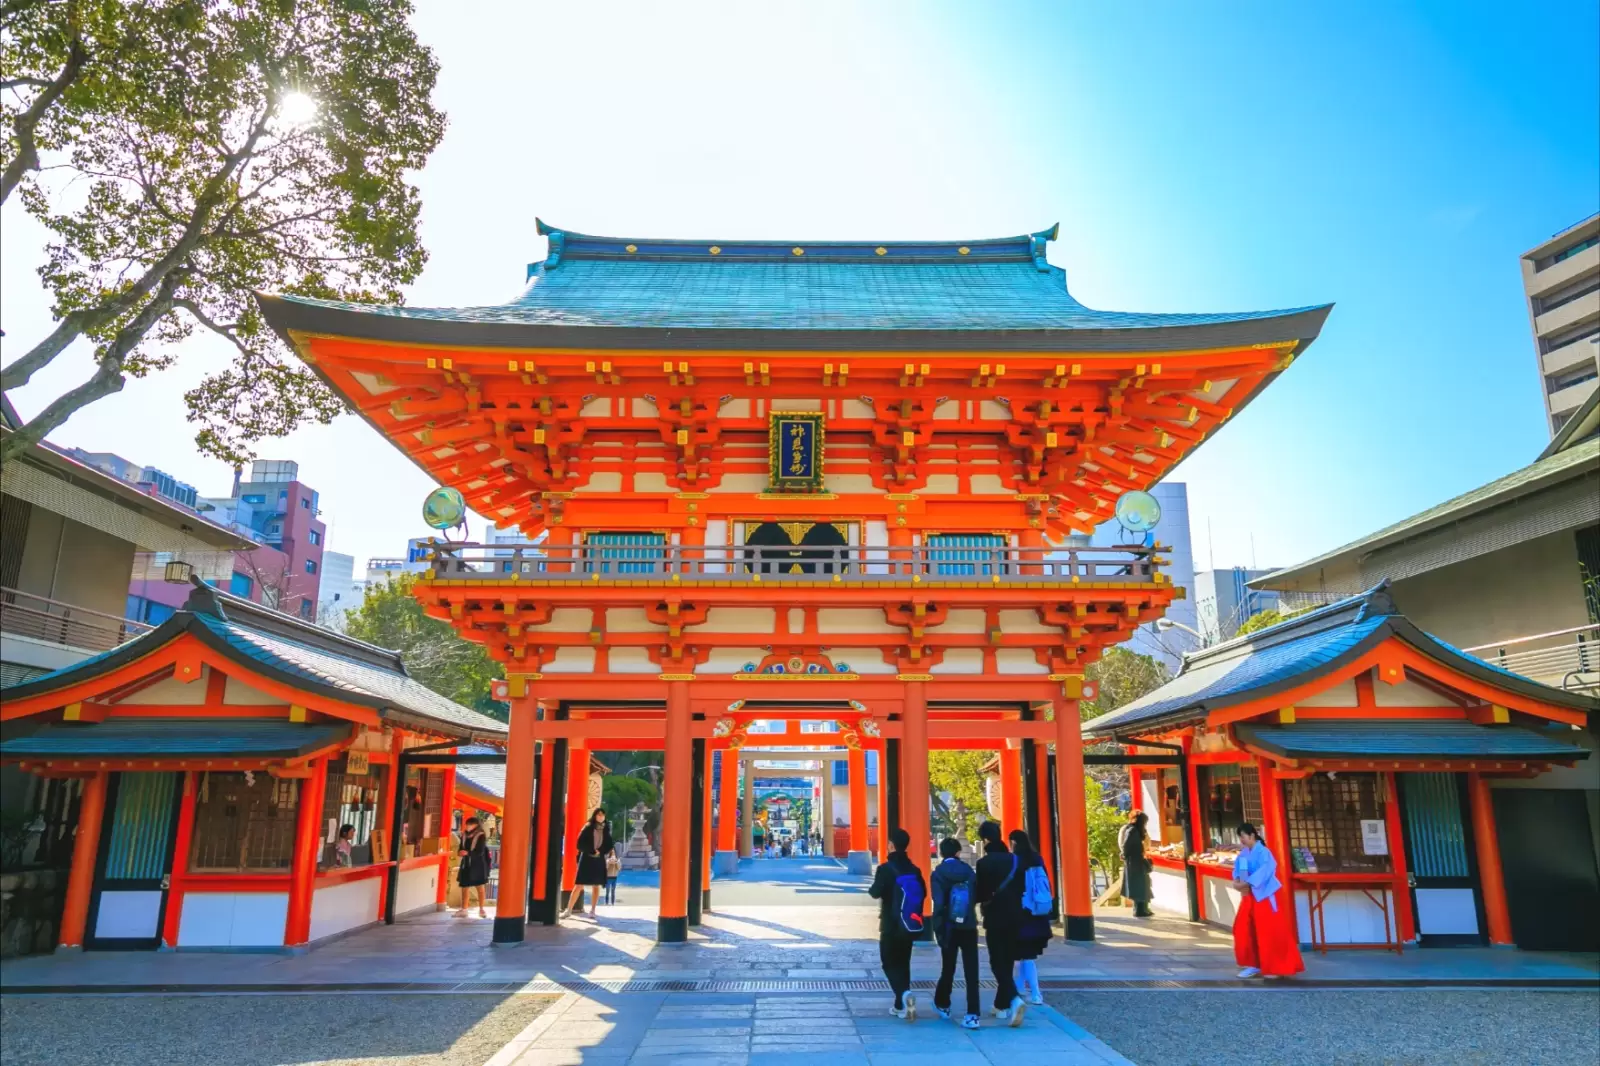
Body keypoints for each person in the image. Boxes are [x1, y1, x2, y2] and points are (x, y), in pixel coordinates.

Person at [1232, 822, 1305, 979]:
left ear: (1252, 835)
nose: (1242, 840)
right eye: (1240, 837)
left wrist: (1247, 883)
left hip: (1264, 895)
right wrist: (1237, 882)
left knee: (1268, 931)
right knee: (1244, 929)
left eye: (1243, 836)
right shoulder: (1244, 854)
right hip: (1249, 896)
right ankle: (1253, 964)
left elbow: (1265, 872)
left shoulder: (1264, 852)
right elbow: (1239, 872)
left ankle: (1276, 966)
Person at [868, 826, 926, 1021]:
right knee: (903, 962)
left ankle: (903, 994)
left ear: (891, 846)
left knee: (888, 962)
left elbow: (875, 892)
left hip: (890, 924)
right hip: (909, 923)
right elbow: (923, 894)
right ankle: (900, 1004)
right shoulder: (914, 869)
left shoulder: (885, 869)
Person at [974, 820, 1027, 1026]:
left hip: (994, 917)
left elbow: (981, 893)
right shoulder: (1016, 861)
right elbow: (1022, 888)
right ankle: (1001, 1005)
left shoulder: (983, 864)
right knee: (1007, 960)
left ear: (985, 839)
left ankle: (1013, 999)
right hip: (1016, 916)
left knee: (997, 961)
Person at [929, 837, 982, 1029]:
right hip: (968, 925)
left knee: (948, 967)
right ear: (958, 853)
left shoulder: (938, 874)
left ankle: (943, 1004)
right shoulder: (968, 871)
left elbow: (938, 902)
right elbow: (975, 896)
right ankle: (973, 1014)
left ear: (942, 853)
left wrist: (938, 929)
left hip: (949, 927)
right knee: (971, 970)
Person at [1008, 829, 1054, 1005]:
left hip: (1022, 912)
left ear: (1013, 842)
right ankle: (1021, 987)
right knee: (1027, 955)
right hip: (1038, 912)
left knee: (1025, 956)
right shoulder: (1037, 859)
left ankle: (1035, 992)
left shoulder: (1015, 861)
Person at [562, 807, 613, 919]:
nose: (601, 817)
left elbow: (610, 844)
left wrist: (601, 851)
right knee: (579, 884)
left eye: (602, 815)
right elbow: (580, 844)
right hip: (586, 858)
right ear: (595, 816)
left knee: (596, 885)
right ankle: (569, 909)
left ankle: (593, 910)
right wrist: (591, 849)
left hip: (599, 859)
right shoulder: (588, 827)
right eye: (599, 814)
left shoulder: (606, 829)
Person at [1119, 811, 1154, 918]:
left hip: (1135, 859)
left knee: (1142, 883)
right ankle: (1139, 910)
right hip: (1134, 860)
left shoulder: (1135, 830)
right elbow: (1126, 845)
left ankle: (1141, 909)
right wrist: (1124, 854)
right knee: (1139, 884)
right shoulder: (1132, 830)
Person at [455, 816, 491, 918]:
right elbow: (460, 848)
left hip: (478, 864)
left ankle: (481, 909)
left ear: (476, 825)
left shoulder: (481, 835)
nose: (468, 826)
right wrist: (460, 852)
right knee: (464, 887)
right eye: (467, 824)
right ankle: (464, 909)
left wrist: (468, 853)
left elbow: (480, 851)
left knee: (480, 887)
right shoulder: (464, 835)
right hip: (466, 863)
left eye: (470, 824)